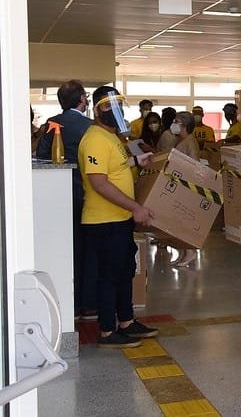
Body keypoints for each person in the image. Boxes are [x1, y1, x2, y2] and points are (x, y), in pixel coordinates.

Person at [78, 86, 158, 348]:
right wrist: (136, 207)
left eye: (118, 105)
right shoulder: (94, 139)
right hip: (103, 221)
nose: (114, 111)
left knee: (125, 271)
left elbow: (115, 168)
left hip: (119, 220)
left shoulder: (112, 137)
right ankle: (108, 331)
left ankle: (126, 321)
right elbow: (99, 183)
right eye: (107, 106)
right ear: (96, 109)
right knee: (109, 275)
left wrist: (137, 162)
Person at [36, 80, 96, 320]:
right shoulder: (91, 127)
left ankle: (68, 301)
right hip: (87, 194)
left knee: (66, 250)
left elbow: (42, 157)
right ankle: (88, 303)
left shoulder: (52, 124)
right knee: (88, 250)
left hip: (58, 195)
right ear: (82, 99)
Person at [168, 111, 201, 267]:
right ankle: (183, 251)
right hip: (179, 183)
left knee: (185, 221)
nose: (173, 124)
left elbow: (194, 163)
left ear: (184, 125)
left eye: (176, 121)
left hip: (187, 185)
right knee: (178, 221)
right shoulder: (180, 140)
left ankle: (190, 251)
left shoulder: (190, 141)